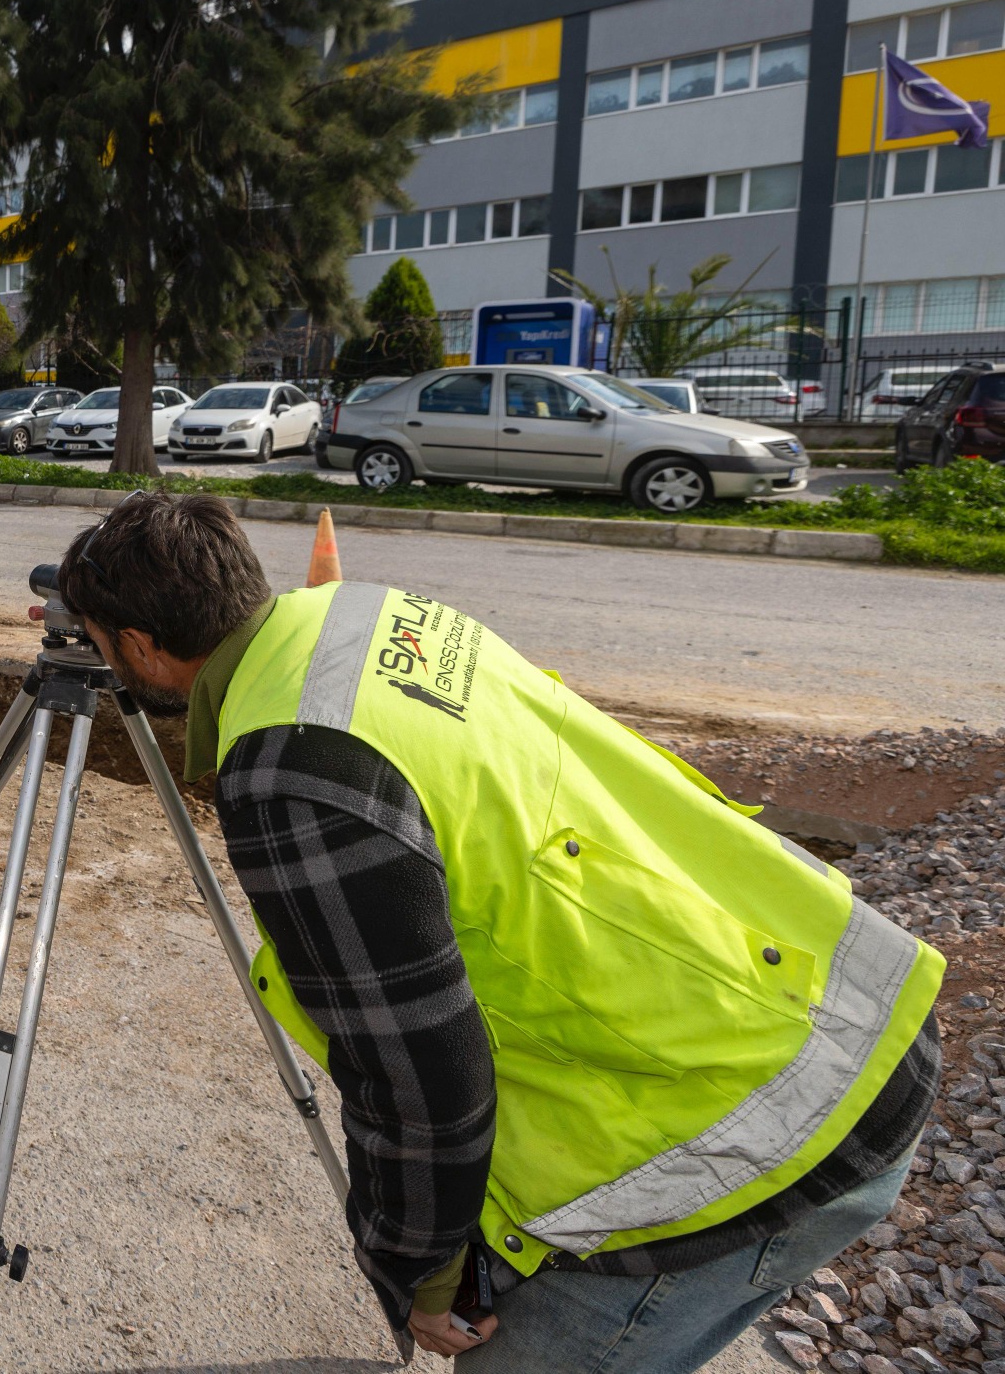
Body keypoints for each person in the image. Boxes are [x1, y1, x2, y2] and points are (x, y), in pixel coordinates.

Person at [54, 491, 940, 1373]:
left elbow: (419, 1070)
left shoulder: (291, 771)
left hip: (761, 1132)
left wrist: (420, 1274)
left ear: (140, 648)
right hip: (830, 1003)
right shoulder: (366, 619)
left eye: (105, 642)